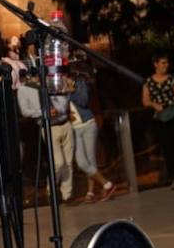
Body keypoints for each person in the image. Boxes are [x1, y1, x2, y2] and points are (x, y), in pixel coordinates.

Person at [17, 72, 75, 202]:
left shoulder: (51, 83)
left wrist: (61, 103)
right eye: (34, 74)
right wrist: (43, 112)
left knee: (69, 162)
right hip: (49, 127)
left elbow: (64, 99)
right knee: (58, 162)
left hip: (65, 123)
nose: (36, 77)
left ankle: (67, 195)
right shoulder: (24, 90)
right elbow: (25, 111)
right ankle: (51, 190)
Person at [68, 66, 122, 201]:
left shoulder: (80, 83)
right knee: (81, 162)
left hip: (88, 124)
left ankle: (90, 192)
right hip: (74, 128)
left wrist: (71, 90)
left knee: (90, 160)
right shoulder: (57, 88)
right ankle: (106, 184)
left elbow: (83, 101)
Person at [141, 54, 174, 189]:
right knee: (167, 147)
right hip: (161, 117)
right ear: (155, 64)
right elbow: (145, 101)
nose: (165, 66)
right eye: (163, 63)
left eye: (167, 63)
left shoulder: (172, 80)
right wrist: (154, 104)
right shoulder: (148, 83)